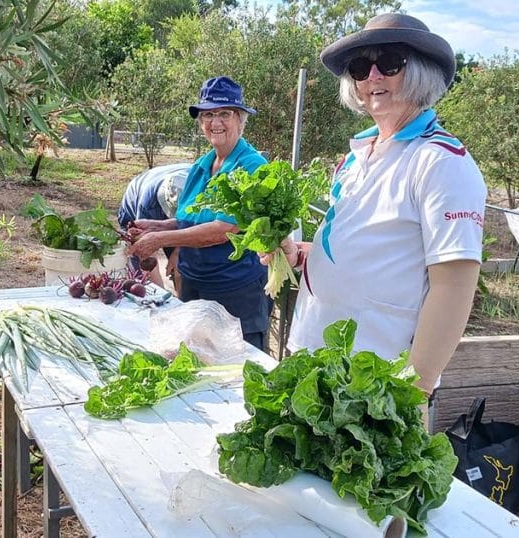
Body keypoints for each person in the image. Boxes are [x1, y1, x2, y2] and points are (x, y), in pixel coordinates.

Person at [267, 13, 487, 427]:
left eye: (389, 62)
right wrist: (300, 255)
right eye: (359, 67)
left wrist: (413, 389)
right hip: (314, 359)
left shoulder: (439, 162)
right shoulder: (357, 156)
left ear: (421, 72)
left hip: (373, 385)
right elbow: (364, 251)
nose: (372, 76)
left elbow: (455, 284)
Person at [127, 76, 272, 350]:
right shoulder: (203, 165)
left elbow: (223, 230)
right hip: (194, 286)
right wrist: (156, 226)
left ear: (241, 119)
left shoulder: (252, 167)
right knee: (195, 361)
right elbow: (191, 220)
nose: (215, 122)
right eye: (208, 115)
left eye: (225, 113)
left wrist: (160, 241)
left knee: (235, 369)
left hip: (234, 293)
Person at [117, 163, 189, 290]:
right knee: (143, 279)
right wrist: (158, 296)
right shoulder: (148, 203)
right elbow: (146, 255)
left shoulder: (204, 183)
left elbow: (191, 229)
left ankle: (182, 303)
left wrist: (178, 252)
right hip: (134, 203)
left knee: (183, 265)